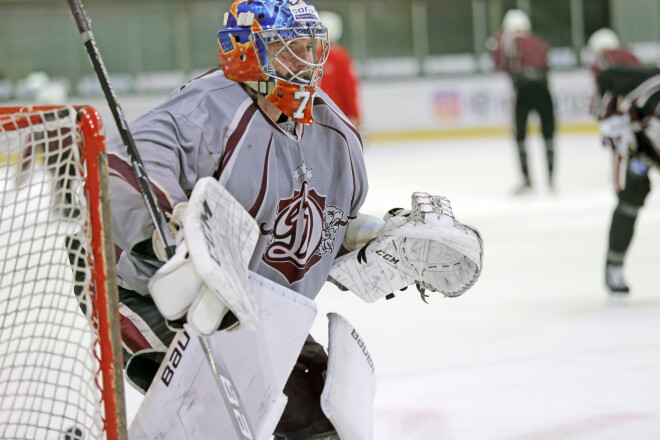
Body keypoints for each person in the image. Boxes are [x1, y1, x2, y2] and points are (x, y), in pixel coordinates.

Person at [103, 0, 482, 438]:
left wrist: (371, 237)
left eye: (310, 47)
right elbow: (125, 167)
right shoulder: (205, 112)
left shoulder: (335, 135)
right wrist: (171, 223)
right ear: (244, 51)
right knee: (209, 416)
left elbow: (322, 227)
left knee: (323, 423)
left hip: (253, 304)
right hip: (145, 289)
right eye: (288, 48)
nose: (305, 63)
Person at [586, 29, 647, 299]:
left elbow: (603, 110)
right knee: (630, 199)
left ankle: (615, 266)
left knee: (629, 201)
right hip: (641, 133)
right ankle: (615, 267)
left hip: (633, 138)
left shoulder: (602, 63)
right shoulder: (631, 57)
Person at [488, 9, 556, 193]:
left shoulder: (505, 40)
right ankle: (551, 180)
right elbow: (547, 64)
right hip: (543, 88)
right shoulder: (538, 41)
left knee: (520, 135)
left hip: (522, 89)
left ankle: (527, 180)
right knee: (548, 133)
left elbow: (497, 61)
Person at [316, 11, 362, 129]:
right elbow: (348, 89)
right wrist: (354, 115)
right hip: (336, 118)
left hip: (314, 118)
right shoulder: (340, 57)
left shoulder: (303, 55)